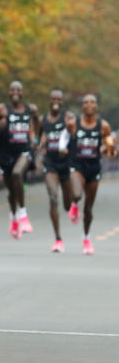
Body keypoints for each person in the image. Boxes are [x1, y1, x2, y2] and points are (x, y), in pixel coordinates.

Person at [0, 81, 39, 239]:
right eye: (12, 90)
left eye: (19, 90)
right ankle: (14, 216)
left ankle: (23, 214)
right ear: (9, 93)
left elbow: (37, 125)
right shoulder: (0, 110)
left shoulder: (31, 109)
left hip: (24, 152)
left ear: (23, 93)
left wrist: (35, 141)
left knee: (17, 174)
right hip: (5, 154)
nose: (16, 92)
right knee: (11, 191)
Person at [63, 94, 115, 255]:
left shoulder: (103, 126)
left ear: (96, 106)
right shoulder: (73, 124)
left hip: (93, 168)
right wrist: (62, 148)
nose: (89, 105)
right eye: (86, 102)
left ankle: (86, 238)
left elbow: (110, 147)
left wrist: (110, 149)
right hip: (76, 165)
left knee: (89, 208)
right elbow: (63, 138)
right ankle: (74, 204)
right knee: (77, 194)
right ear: (82, 106)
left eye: (92, 102)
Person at [38, 89, 71, 252]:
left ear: (62, 101)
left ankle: (72, 207)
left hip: (66, 163)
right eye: (53, 99)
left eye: (59, 99)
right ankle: (58, 238)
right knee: (53, 196)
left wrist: (69, 148)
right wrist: (40, 144)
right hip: (50, 162)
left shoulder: (68, 118)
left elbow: (75, 134)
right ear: (49, 101)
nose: (56, 101)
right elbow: (38, 136)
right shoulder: (43, 119)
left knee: (67, 204)